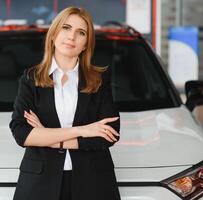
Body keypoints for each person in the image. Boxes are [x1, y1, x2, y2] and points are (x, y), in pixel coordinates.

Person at [9, 6, 121, 200]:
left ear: (86, 43)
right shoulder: (31, 78)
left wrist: (46, 135)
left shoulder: (99, 79)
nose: (72, 37)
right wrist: (83, 130)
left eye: (81, 32)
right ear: (54, 34)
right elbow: (22, 134)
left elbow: (108, 134)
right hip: (39, 184)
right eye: (66, 28)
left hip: (93, 184)